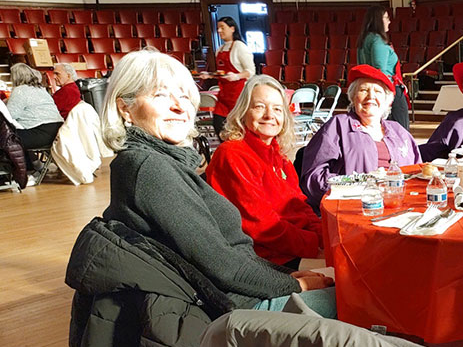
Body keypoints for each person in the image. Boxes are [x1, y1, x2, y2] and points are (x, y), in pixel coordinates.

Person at [98, 50, 335, 312]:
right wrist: (295, 283)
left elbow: (231, 255)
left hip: (248, 281)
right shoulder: (151, 168)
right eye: (161, 95)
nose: (179, 106)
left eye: (184, 96)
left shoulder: (166, 163)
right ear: (125, 108)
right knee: (352, 294)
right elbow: (225, 265)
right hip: (231, 305)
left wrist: (288, 274)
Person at [205, 74, 322, 270]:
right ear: (243, 112)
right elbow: (261, 226)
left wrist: (324, 238)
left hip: (292, 246)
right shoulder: (232, 154)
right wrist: (314, 246)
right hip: (262, 258)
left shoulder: (279, 155)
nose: (269, 115)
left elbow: (301, 207)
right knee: (348, 272)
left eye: (277, 109)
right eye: (259, 107)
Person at [300, 64, 421, 207]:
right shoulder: (338, 126)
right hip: (354, 206)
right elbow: (313, 176)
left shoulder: (399, 131)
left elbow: (418, 172)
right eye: (363, 90)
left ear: (387, 101)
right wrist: (355, 188)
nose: (371, 96)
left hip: (400, 204)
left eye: (378, 91)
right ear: (353, 97)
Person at [357, 5, 410, 131]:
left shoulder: (365, 39)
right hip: (388, 90)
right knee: (401, 130)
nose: (389, 21)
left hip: (375, 88)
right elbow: (379, 70)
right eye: (386, 18)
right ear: (378, 20)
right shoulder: (377, 40)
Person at [201, 16, 254, 136]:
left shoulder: (240, 47)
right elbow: (221, 73)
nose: (219, 31)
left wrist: (236, 76)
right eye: (218, 28)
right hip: (223, 96)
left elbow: (251, 71)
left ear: (232, 29)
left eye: (222, 27)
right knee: (218, 124)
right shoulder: (220, 49)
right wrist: (209, 75)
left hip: (238, 95)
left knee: (239, 127)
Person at [5, 63, 63, 154]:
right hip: (57, 130)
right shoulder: (40, 89)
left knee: (5, 138)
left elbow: (10, 115)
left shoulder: (19, 90)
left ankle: (21, 162)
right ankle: (31, 161)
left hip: (40, 132)